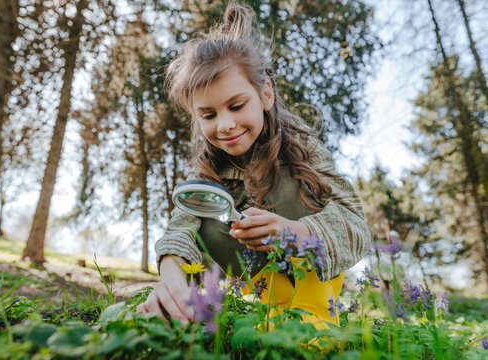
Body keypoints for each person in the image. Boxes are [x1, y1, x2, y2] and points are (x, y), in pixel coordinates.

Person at [137, 2, 372, 329]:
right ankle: (222, 308)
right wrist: (171, 276)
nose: (225, 125)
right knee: (204, 211)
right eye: (209, 115)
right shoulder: (210, 171)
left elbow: (356, 223)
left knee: (294, 182)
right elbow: (181, 228)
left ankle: (311, 309)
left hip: (311, 275)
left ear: (265, 95)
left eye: (236, 105)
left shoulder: (304, 150)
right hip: (255, 285)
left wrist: (295, 233)